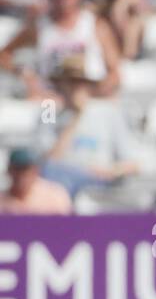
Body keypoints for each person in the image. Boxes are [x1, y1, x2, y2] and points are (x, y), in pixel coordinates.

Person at [0, 0, 121, 99]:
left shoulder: (95, 25)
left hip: (88, 96)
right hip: (51, 98)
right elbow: (3, 55)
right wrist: (24, 73)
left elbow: (115, 72)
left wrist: (96, 92)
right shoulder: (39, 26)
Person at [35, 55, 139, 198]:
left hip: (97, 187)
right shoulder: (49, 111)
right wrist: (76, 117)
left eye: (79, 83)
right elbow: (49, 160)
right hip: (60, 186)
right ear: (60, 85)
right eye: (69, 82)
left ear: (88, 86)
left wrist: (110, 171)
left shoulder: (108, 111)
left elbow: (132, 163)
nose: (74, 88)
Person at [0, 147, 73, 214]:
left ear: (36, 171)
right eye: (17, 169)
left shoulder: (55, 195)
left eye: (27, 169)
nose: (22, 175)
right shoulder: (2, 200)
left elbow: (68, 225)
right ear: (9, 170)